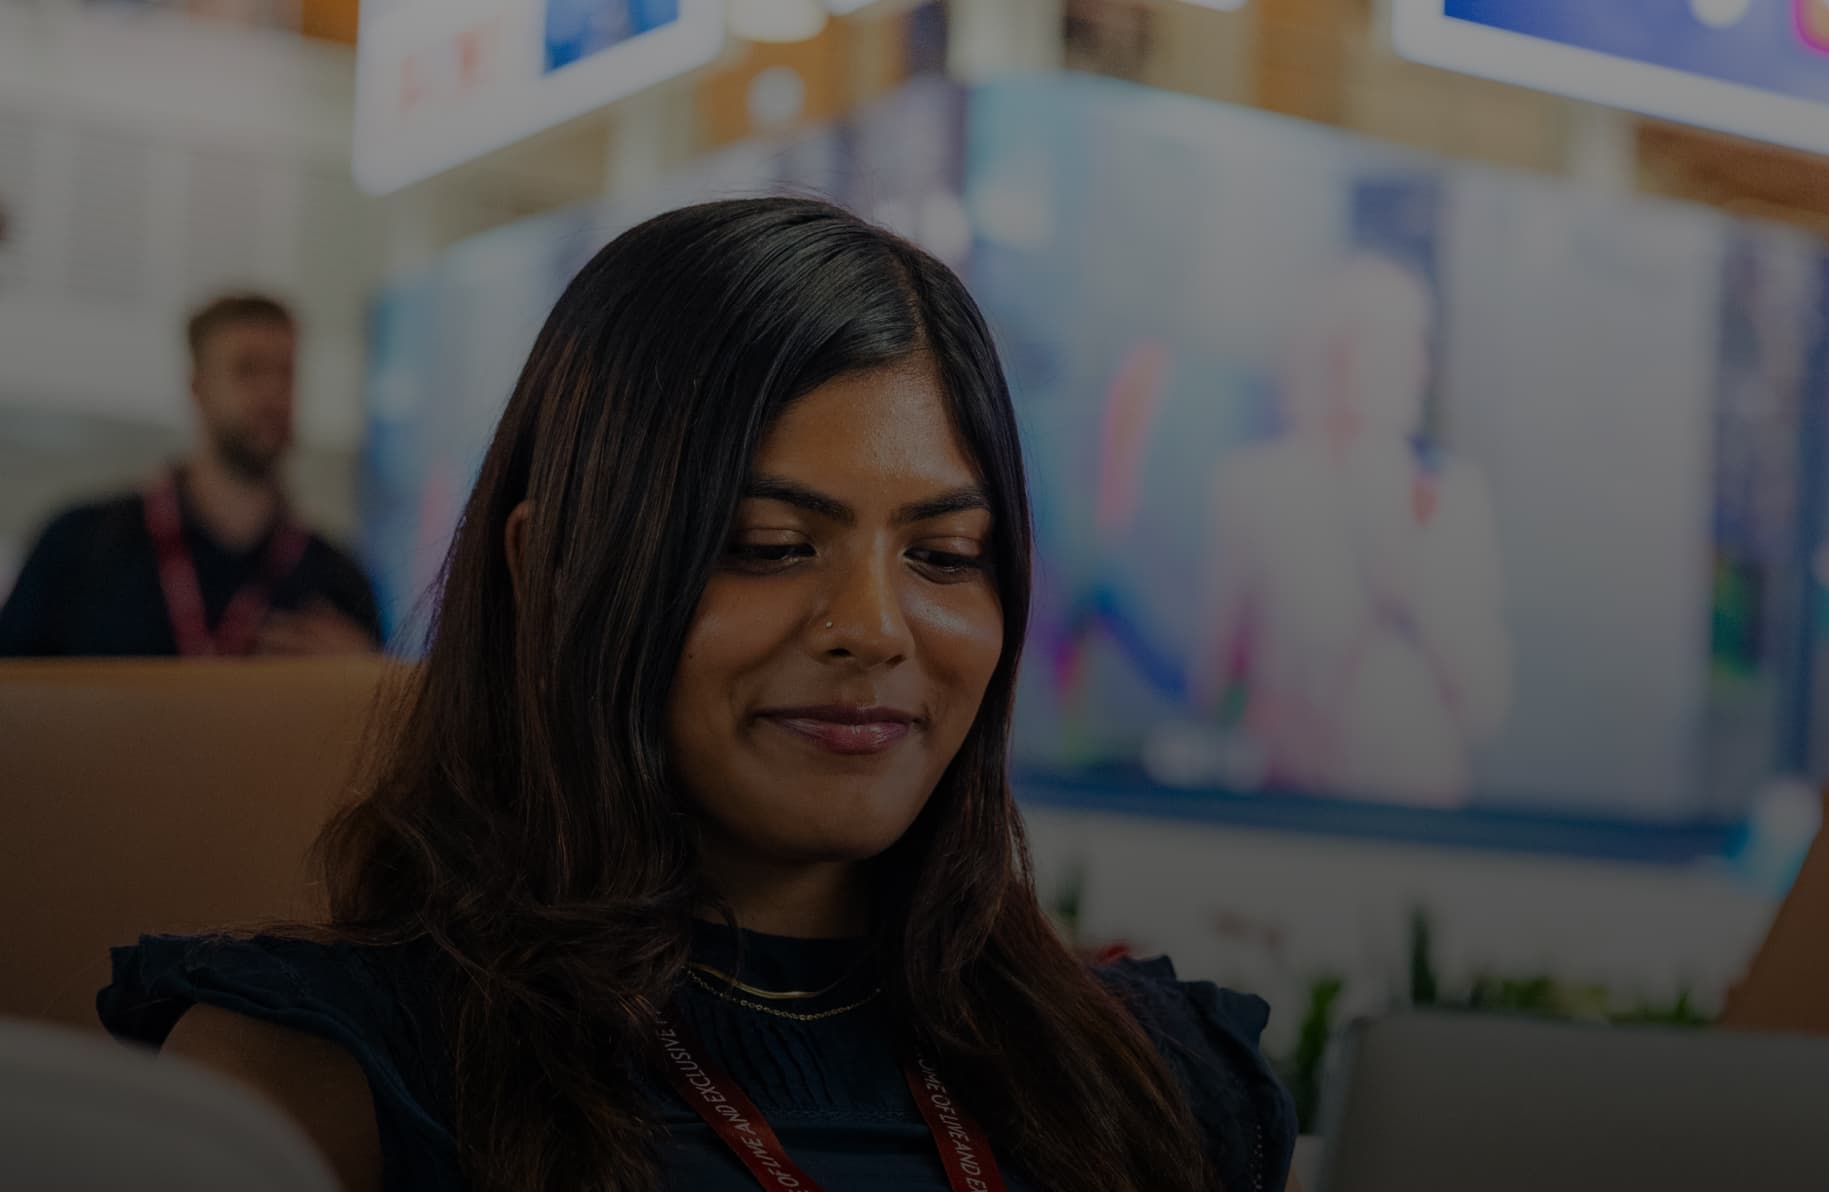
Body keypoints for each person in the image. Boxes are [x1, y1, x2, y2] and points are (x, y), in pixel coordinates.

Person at [99, 200, 1295, 1192]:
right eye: (770, 544)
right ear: (547, 572)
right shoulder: (325, 1084)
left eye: (944, 556)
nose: (875, 629)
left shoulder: (1153, 1083)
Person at [1191, 250, 1514, 808]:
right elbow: (1214, 687)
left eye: (1419, 346)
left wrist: (1414, 593)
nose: (1418, 368)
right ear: (1334, 355)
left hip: (1423, 824)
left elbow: (1486, 707)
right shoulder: (1253, 490)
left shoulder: (1450, 497)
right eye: (1397, 344)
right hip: (1290, 819)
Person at [0, 293, 381, 657]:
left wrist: (365, 678)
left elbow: (392, 712)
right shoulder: (80, 546)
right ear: (197, 388)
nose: (272, 391)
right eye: (246, 369)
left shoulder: (336, 580)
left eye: (285, 371)